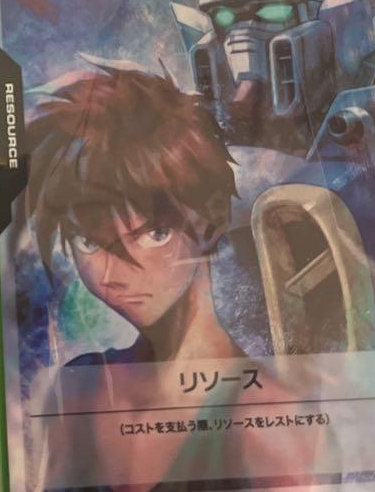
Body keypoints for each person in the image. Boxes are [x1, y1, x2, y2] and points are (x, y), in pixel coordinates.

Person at [27, 64, 240, 365]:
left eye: (155, 234)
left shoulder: (278, 385)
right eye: (88, 241)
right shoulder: (83, 379)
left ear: (212, 218)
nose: (112, 275)